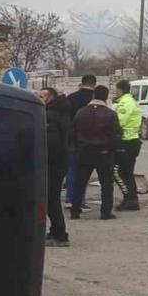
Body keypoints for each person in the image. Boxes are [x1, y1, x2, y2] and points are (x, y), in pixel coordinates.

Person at [71, 85, 122, 220]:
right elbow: (116, 135)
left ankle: (75, 210)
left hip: (84, 152)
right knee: (106, 184)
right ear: (106, 97)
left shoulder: (81, 112)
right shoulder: (110, 114)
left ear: (94, 96)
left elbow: (73, 133)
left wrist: (78, 148)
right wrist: (111, 149)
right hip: (103, 153)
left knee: (80, 183)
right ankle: (105, 212)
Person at [40, 87, 71, 246]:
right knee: (52, 198)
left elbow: (51, 144)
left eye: (42, 96)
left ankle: (60, 235)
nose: (39, 99)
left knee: (51, 199)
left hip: (53, 163)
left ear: (49, 98)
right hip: (60, 161)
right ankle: (55, 231)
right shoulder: (60, 112)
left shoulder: (49, 116)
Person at [65, 75, 96, 209]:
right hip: (89, 140)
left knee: (71, 170)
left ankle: (69, 198)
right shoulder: (95, 99)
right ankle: (80, 200)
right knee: (83, 172)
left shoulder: (71, 98)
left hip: (72, 139)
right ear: (94, 84)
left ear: (81, 83)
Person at [113, 79, 143, 211]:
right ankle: (132, 199)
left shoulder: (125, 103)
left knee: (117, 171)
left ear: (120, 90)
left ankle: (129, 198)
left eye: (116, 89)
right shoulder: (130, 101)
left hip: (126, 141)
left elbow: (119, 122)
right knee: (127, 172)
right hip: (131, 140)